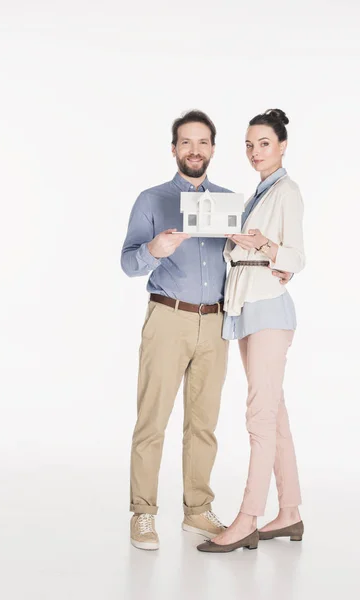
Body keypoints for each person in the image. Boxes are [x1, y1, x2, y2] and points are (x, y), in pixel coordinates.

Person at [121, 110, 293, 551]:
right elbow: (127, 262)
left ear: (213, 149)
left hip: (216, 320)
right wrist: (153, 250)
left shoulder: (230, 204)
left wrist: (268, 258)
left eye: (202, 143)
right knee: (152, 420)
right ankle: (143, 513)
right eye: (186, 142)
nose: (194, 150)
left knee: (203, 424)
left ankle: (197, 510)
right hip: (167, 317)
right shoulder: (151, 199)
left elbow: (246, 259)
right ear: (174, 148)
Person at [197, 109, 305, 554]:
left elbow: (296, 257)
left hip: (267, 312)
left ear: (281, 146)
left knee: (258, 418)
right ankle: (291, 512)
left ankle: (248, 519)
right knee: (273, 415)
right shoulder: (255, 195)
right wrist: (238, 240)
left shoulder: (287, 191)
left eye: (263, 143)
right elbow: (254, 253)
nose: (255, 152)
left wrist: (262, 244)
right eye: (248, 144)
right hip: (247, 308)